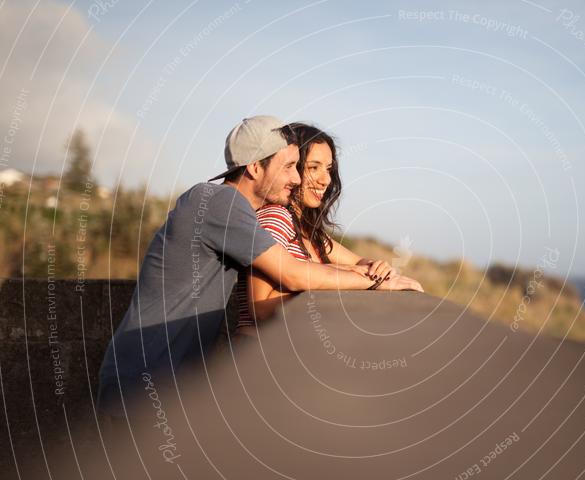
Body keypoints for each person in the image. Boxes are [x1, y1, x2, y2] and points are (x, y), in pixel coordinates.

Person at [97, 115, 422, 417]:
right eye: (290, 167)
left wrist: (369, 271)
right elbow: (291, 274)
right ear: (254, 167)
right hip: (143, 379)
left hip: (164, 379)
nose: (296, 179)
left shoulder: (236, 213)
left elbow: (322, 257)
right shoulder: (218, 202)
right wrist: (374, 283)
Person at [235, 123, 421, 331]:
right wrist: (346, 279)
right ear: (292, 168)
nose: (326, 180)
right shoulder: (275, 218)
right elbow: (260, 307)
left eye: (329, 169)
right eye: (314, 168)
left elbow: (358, 262)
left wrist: (377, 268)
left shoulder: (311, 234)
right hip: (259, 351)